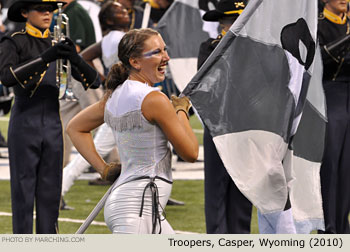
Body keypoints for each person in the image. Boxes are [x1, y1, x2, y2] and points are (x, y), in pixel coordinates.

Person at [66, 28, 198, 233]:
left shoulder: (113, 95)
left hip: (138, 206)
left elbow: (75, 128)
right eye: (156, 52)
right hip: (138, 209)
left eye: (164, 49)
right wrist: (181, 110)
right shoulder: (154, 99)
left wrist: (104, 170)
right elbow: (190, 153)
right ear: (135, 62)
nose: (166, 57)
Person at [0, 0, 98, 233]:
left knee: (50, 196)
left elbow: (94, 81)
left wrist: (76, 59)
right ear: (25, 12)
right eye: (40, 9)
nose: (47, 13)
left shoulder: (57, 42)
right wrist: (46, 57)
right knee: (23, 195)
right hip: (25, 123)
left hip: (54, 125)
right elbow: (7, 77)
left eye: (50, 10)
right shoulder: (14, 41)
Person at [197, 0, 252, 234]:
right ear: (223, 24)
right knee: (217, 192)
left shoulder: (258, 50)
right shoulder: (210, 48)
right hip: (219, 126)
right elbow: (205, 89)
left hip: (249, 127)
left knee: (243, 192)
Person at [318, 0, 350, 234]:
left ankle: (342, 227)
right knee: (329, 167)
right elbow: (322, 61)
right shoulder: (316, 24)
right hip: (329, 97)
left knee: (347, 169)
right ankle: (328, 230)